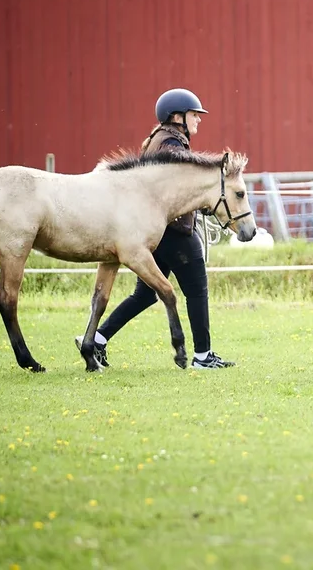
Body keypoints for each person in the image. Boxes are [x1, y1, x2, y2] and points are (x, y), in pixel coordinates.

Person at [75, 88, 234, 369]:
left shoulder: (160, 140)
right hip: (175, 231)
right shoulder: (170, 146)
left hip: (159, 231)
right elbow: (181, 185)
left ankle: (97, 338)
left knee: (145, 295)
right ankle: (202, 356)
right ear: (177, 117)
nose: (199, 119)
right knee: (197, 290)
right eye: (194, 114)